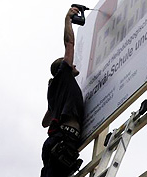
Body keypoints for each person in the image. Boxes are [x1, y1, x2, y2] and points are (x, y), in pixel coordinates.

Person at [41, 7, 84, 177]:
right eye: (70, 63)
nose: (74, 65)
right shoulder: (64, 76)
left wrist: (55, 107)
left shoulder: (55, 92)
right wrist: (68, 20)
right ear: (63, 68)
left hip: (55, 142)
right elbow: (69, 43)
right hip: (63, 141)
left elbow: (45, 122)